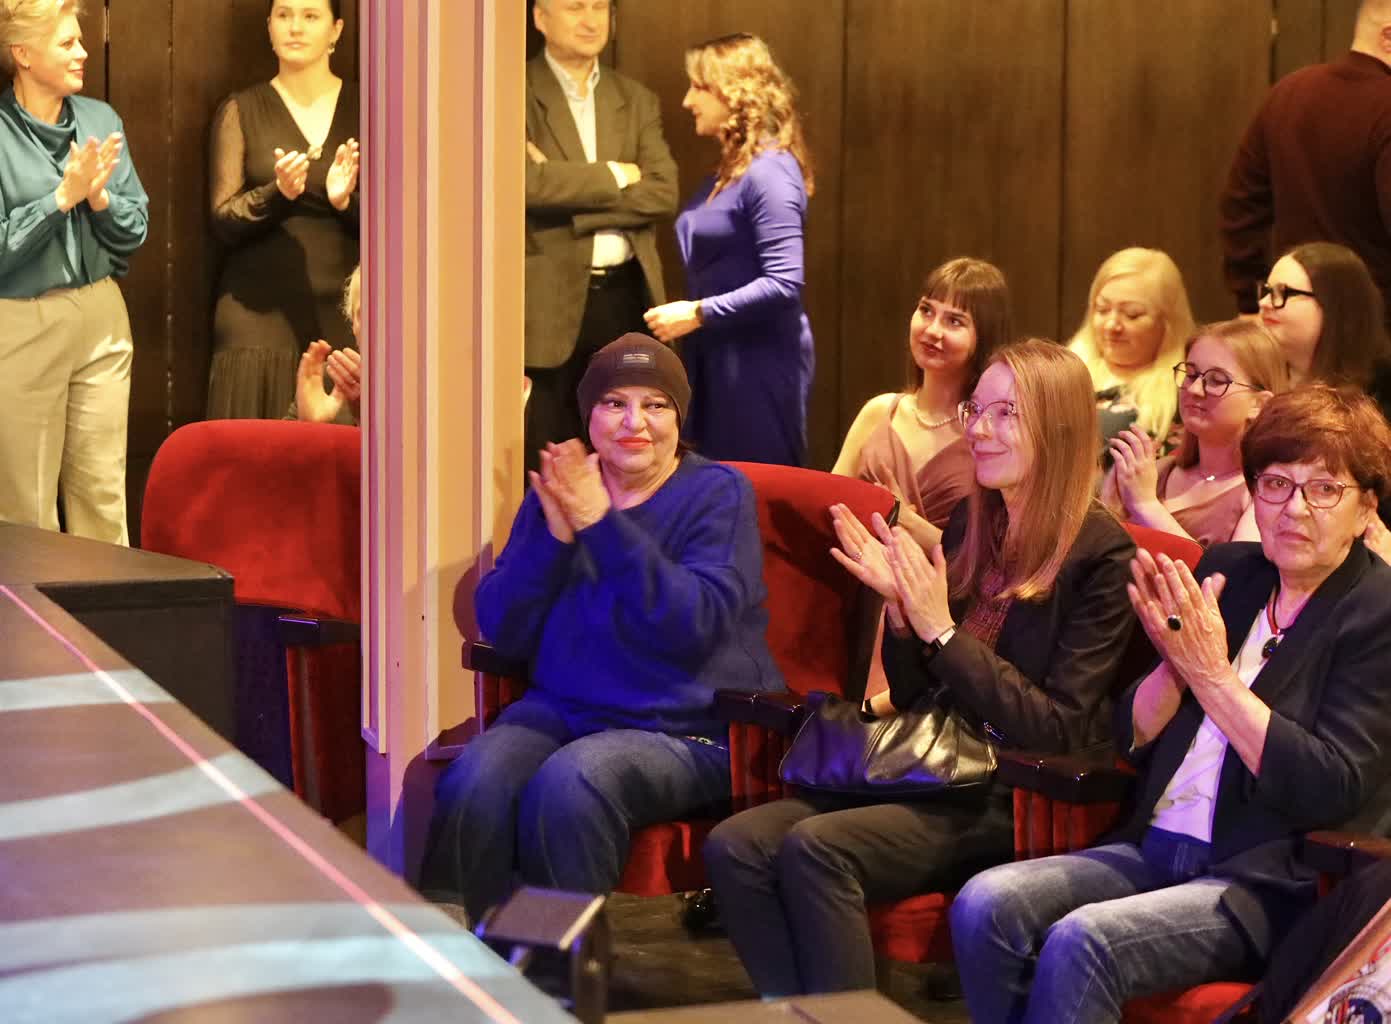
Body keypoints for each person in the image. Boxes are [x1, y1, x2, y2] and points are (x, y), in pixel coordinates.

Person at [702, 339, 1136, 996]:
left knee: (818, 849)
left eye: (1005, 414)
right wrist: (904, 618)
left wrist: (940, 629)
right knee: (737, 844)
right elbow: (914, 692)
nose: (979, 430)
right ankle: (799, 1013)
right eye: (976, 410)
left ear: (1059, 427)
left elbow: (1057, 728)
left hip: (1010, 790)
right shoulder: (973, 521)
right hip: (931, 761)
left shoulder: (1102, 557)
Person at [950, 385, 1391, 1024]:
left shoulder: (1376, 612)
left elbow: (1332, 785)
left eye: (1323, 489)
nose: (1295, 509)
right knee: (985, 903)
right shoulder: (1232, 573)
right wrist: (1174, 669)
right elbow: (1128, 736)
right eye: (1275, 485)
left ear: (1365, 507)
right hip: (1155, 843)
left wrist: (1214, 677)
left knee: (1083, 941)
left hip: (1264, 881)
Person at [418, 333, 784, 922]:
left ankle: (559, 968)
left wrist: (599, 523)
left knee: (572, 782)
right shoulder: (564, 490)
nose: (635, 422)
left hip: (688, 727)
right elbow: (504, 628)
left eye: (655, 405)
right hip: (565, 709)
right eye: (615, 403)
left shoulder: (717, 493)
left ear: (678, 418)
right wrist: (554, 540)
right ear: (589, 415)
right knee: (476, 780)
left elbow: (693, 624)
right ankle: (456, 955)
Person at [0, 0, 148, 545]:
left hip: (102, 316)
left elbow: (136, 229)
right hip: (23, 320)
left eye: (79, 40)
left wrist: (100, 198)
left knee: (103, 495)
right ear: (23, 54)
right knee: (25, 505)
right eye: (67, 43)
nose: (83, 52)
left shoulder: (101, 120)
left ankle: (108, 601)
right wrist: (61, 198)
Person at [644, 33, 814, 466]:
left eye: (699, 87)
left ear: (735, 92)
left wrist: (698, 313)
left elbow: (784, 282)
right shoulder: (727, 173)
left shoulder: (771, 171)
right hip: (716, 357)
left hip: (756, 363)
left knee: (752, 483)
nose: (688, 101)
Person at [523, 0, 677, 473]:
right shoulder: (513, 90)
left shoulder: (634, 98)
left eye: (599, 7)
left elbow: (663, 191)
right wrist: (616, 174)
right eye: (575, 6)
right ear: (540, 18)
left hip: (625, 297)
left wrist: (573, 207)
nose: (590, 20)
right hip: (547, 305)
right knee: (547, 459)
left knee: (625, 457)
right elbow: (524, 184)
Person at [207, 0, 360, 419]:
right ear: (269, 26)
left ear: (336, 30)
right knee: (255, 452)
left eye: (310, 16)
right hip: (256, 315)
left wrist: (344, 202)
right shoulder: (240, 109)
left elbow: (401, 226)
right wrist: (278, 193)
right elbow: (222, 220)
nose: (295, 27)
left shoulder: (369, 107)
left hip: (344, 320)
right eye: (284, 15)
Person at [1220, 0, 1391, 320]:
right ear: (1388, 37)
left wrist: (1250, 302)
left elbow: (1241, 207)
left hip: (1291, 311)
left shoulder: (1287, 93)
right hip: (1373, 324)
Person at [1103, 320, 1289, 548]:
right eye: (1190, 375)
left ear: (1259, 404)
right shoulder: (1153, 473)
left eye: (1217, 380)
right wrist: (1108, 508)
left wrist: (1146, 506)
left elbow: (1233, 571)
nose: (1194, 390)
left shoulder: (1264, 493)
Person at [1068, 248, 1196, 446]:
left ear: (1167, 323)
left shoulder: (1186, 391)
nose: (1112, 326)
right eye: (1102, 309)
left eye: (1132, 314)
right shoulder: (1065, 372)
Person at [286, 263, 360, 424]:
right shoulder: (328, 379)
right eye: (365, 314)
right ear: (353, 323)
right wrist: (310, 427)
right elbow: (280, 440)